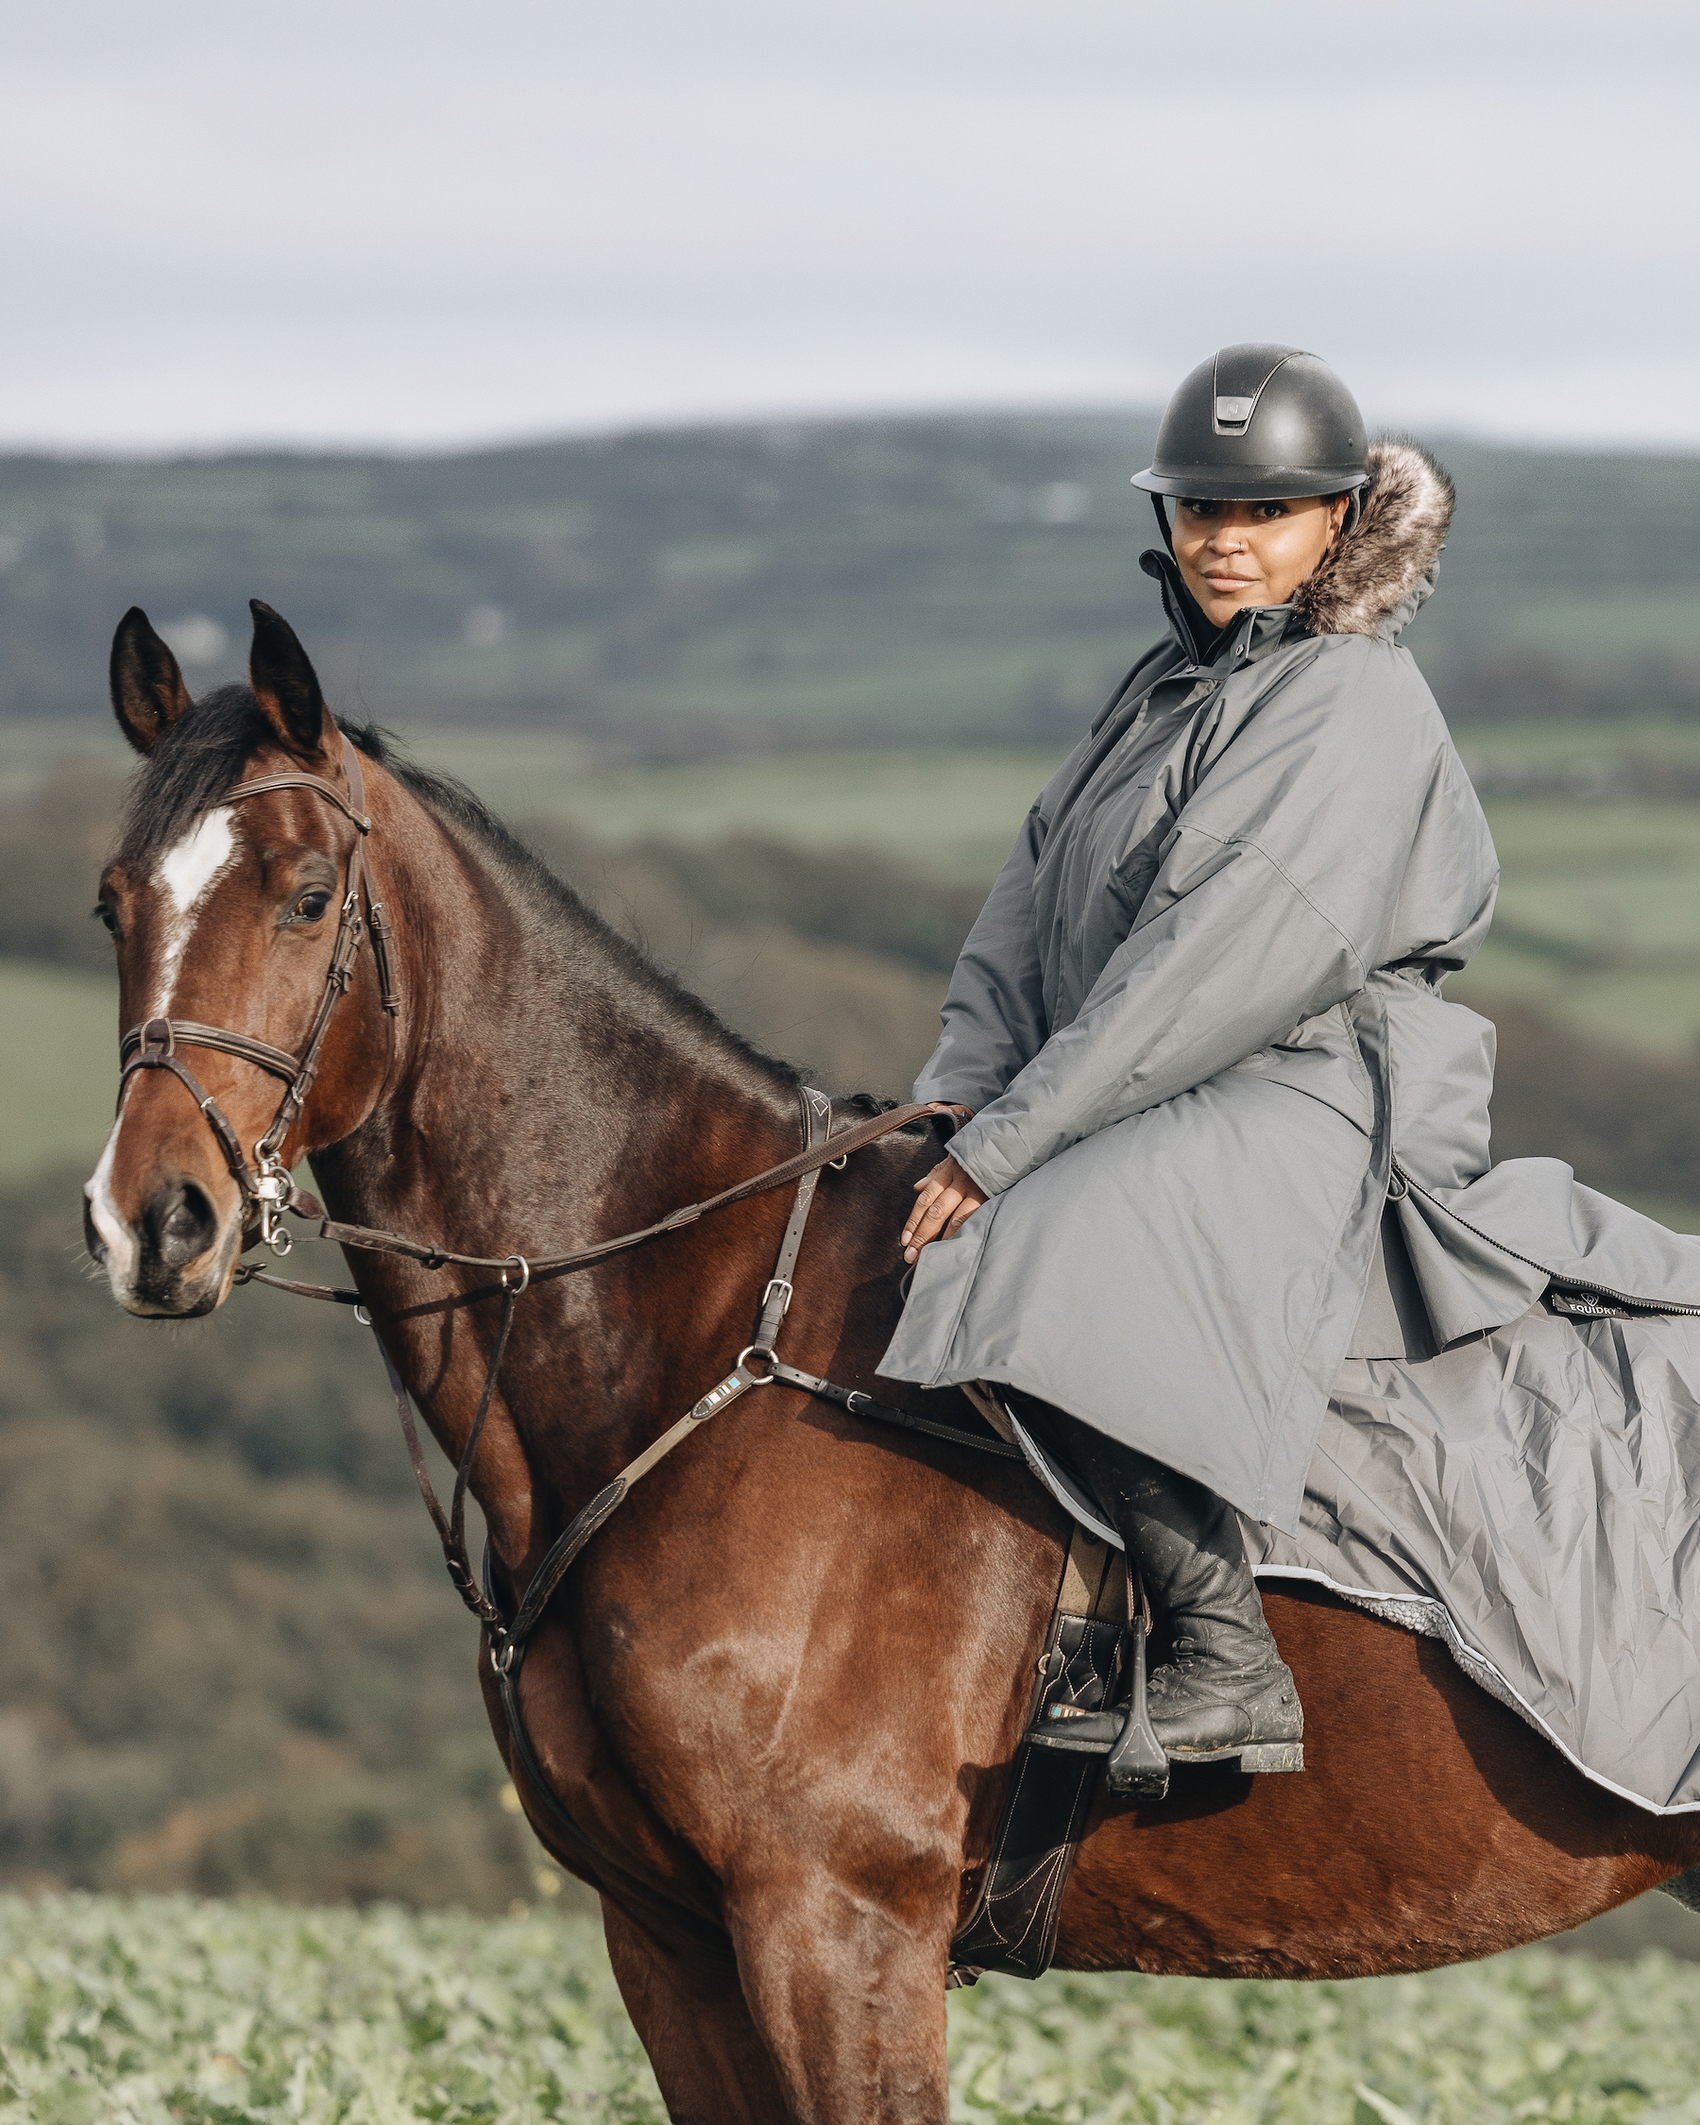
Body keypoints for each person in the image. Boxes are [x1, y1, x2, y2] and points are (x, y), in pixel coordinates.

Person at [879, 343, 1700, 1796]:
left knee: (1066, 1244)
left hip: (1305, 1077)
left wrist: (1004, 1152)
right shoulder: (1162, 690)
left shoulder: (1351, 701)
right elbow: (1028, 895)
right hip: (1150, 1066)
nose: (1223, 540)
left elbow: (1217, 964)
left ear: (1339, 521)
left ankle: (1221, 1657)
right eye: (1199, 511)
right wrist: (959, 1087)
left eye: (1261, 514)